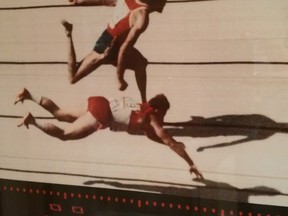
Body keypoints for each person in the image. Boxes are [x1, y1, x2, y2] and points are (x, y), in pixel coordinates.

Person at [15, 88, 203, 179]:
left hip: (99, 101)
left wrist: (172, 142)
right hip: (103, 115)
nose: (164, 117)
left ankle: (29, 95)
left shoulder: (141, 107)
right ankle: (32, 120)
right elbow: (167, 140)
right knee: (65, 134)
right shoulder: (151, 119)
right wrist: (190, 162)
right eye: (164, 112)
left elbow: (153, 137)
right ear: (158, 110)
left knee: (60, 114)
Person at [62, 0, 167, 102]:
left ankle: (144, 102)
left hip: (106, 39)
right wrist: (119, 78)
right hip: (111, 48)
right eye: (163, 1)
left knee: (141, 63)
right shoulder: (142, 16)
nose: (164, 4)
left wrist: (79, 1)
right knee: (73, 78)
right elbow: (124, 49)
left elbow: (102, 1)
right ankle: (71, 36)